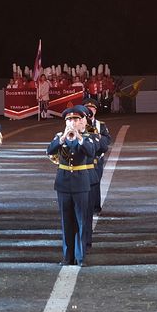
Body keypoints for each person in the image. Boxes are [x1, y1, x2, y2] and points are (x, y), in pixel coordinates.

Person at [47, 105, 99, 266]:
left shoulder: (87, 138)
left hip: (81, 184)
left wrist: (78, 137)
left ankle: (80, 257)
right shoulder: (59, 136)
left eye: (76, 120)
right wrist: (63, 138)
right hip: (63, 184)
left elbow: (91, 152)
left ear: (81, 122)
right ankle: (67, 256)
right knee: (66, 222)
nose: (73, 123)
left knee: (82, 221)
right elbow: (50, 150)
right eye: (70, 120)